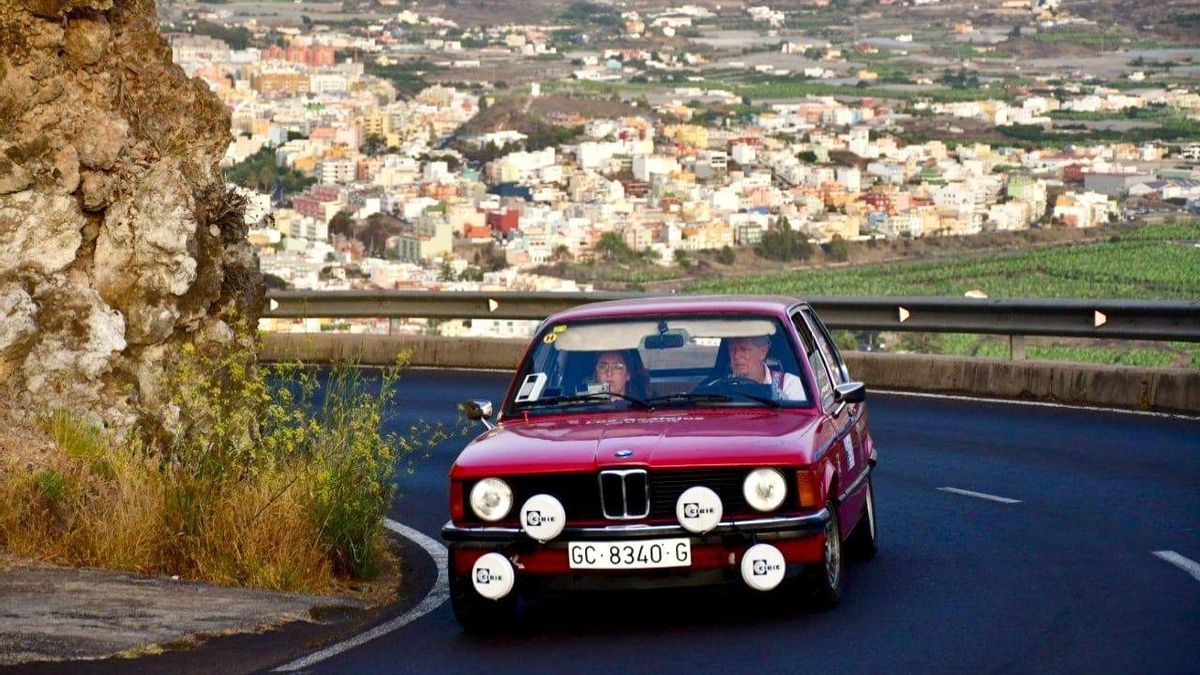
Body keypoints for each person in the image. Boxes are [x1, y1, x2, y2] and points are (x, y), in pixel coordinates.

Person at [726, 335, 805, 401]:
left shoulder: (789, 386)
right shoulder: (720, 390)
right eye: (732, 349)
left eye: (744, 349)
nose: (736, 356)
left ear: (763, 352)